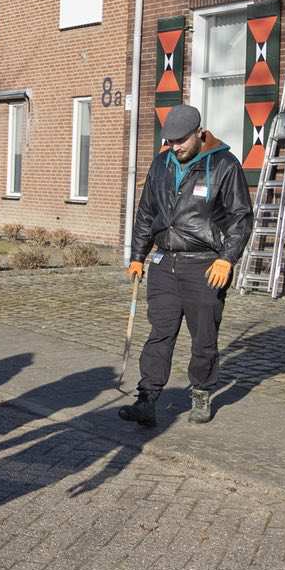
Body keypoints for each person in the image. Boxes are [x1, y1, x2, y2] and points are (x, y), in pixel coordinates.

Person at [120, 104, 253, 428]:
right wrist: (138, 255)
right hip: (165, 263)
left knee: (204, 337)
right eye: (169, 141)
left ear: (198, 133)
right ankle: (147, 399)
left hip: (205, 266)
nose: (174, 147)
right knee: (159, 334)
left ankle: (202, 392)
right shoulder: (161, 164)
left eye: (180, 140)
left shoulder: (224, 165)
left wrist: (227, 258)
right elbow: (146, 212)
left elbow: (240, 218)